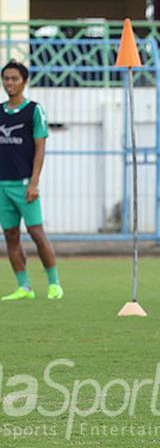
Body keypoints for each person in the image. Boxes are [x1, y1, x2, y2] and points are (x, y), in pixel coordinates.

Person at [0, 60, 63, 301]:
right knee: (11, 235)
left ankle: (54, 284)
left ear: (24, 82)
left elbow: (40, 147)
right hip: (2, 186)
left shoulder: (34, 110)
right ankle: (24, 287)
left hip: (25, 184)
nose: (10, 83)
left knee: (36, 232)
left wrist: (34, 182)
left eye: (15, 78)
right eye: (6, 78)